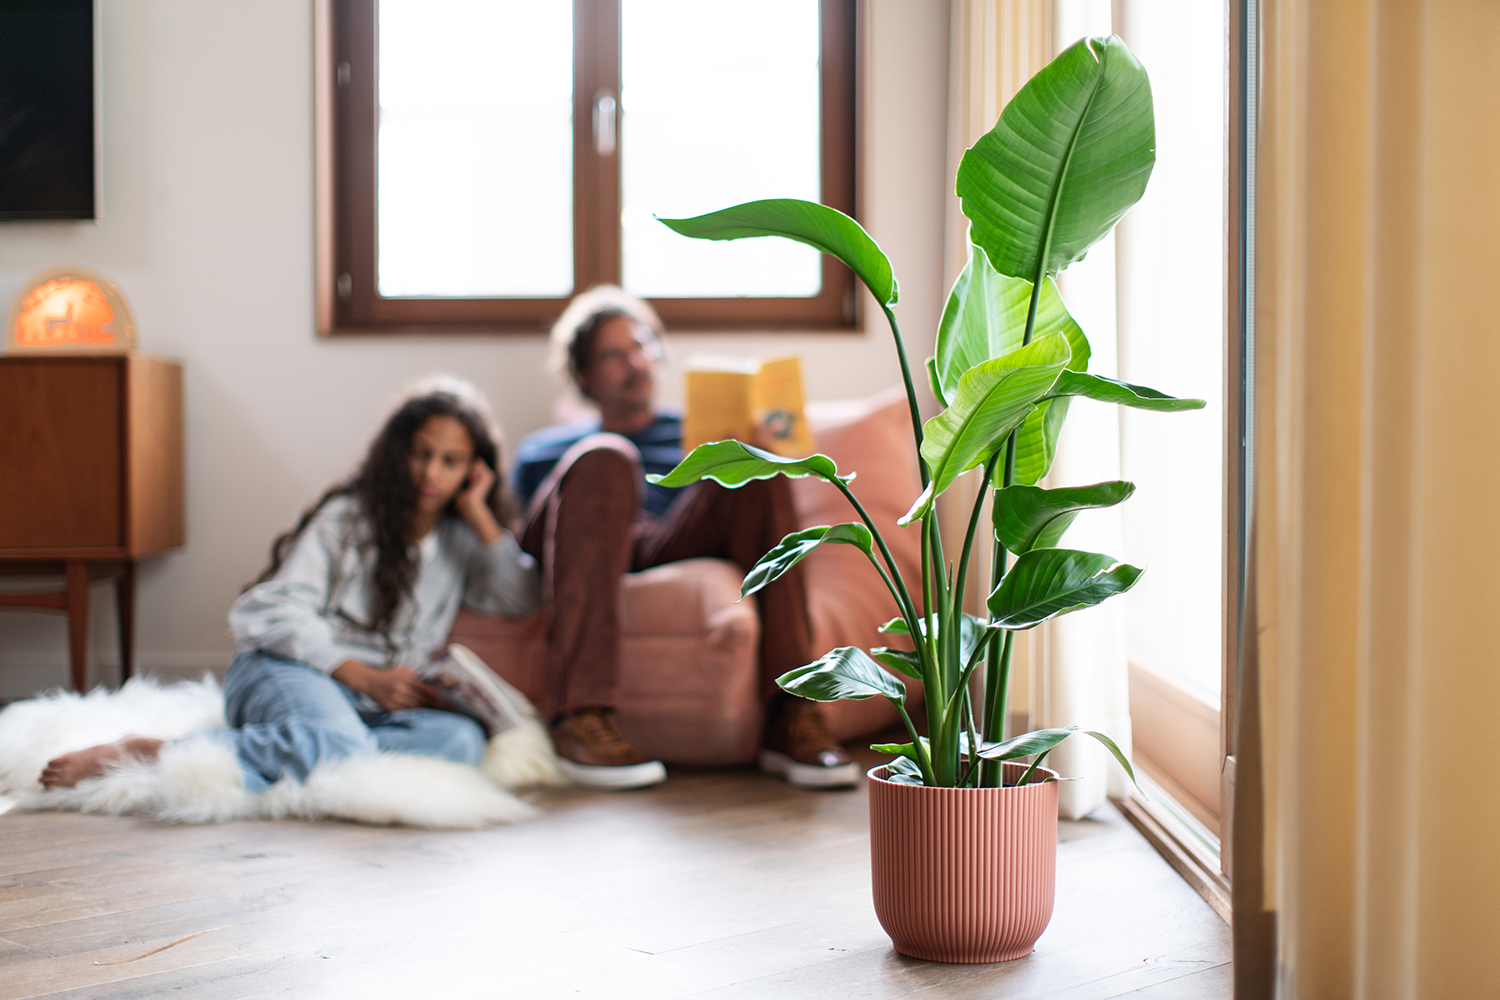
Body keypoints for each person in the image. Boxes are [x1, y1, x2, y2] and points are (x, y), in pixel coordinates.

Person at [40, 378, 541, 791]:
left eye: (450, 462)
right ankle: (148, 753)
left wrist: (479, 513)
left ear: (473, 471)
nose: (431, 473)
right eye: (421, 453)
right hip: (288, 670)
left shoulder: (462, 539)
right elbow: (270, 611)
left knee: (461, 742)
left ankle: (304, 748)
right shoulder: (348, 519)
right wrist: (362, 676)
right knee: (341, 748)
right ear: (398, 453)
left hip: (365, 706)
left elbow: (519, 598)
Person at [512, 286, 857, 791]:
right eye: (614, 355)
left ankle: (794, 713)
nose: (636, 362)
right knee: (605, 455)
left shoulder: (695, 429)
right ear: (584, 375)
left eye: (642, 346)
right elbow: (526, 547)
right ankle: (579, 719)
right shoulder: (545, 451)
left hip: (668, 538)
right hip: (590, 539)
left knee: (754, 461)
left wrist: (757, 450)